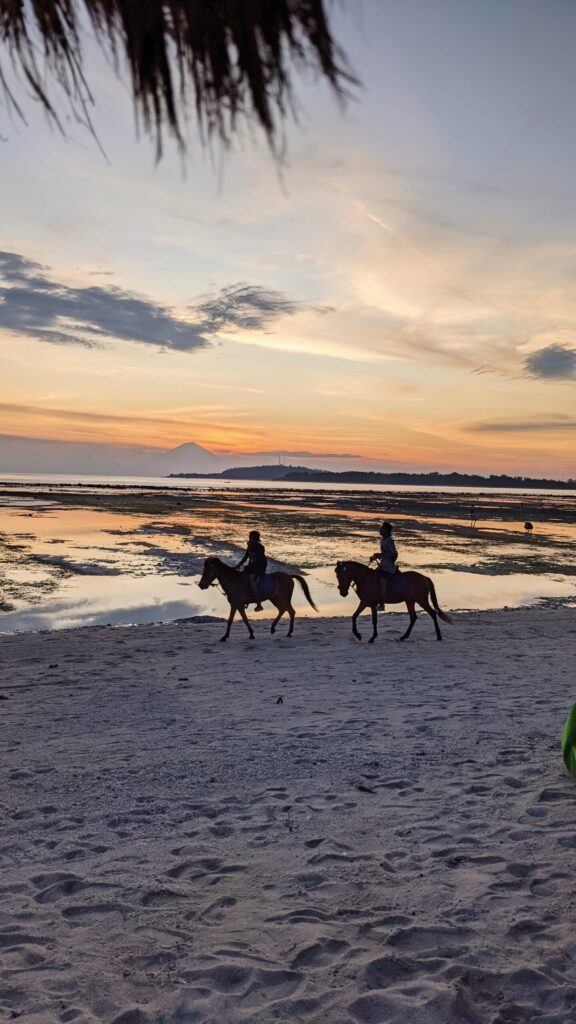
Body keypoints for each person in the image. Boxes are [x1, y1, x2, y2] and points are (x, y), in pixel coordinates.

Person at [369, 521, 398, 610]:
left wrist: (380, 555)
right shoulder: (382, 541)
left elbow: (394, 554)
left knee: (382, 581)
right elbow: (384, 554)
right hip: (383, 564)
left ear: (386, 530)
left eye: (382, 529)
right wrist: (375, 557)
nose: (380, 530)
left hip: (388, 566)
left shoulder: (389, 541)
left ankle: (382, 604)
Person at [236, 530, 268, 611]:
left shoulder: (260, 547)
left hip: (259, 567)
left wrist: (249, 566)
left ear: (255, 538)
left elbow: (259, 560)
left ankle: (259, 604)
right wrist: (239, 565)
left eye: (250, 537)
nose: (249, 538)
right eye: (249, 537)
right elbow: (245, 557)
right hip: (252, 566)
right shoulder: (250, 546)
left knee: (253, 583)